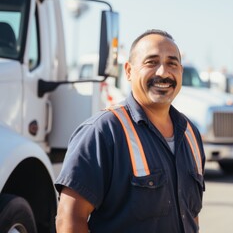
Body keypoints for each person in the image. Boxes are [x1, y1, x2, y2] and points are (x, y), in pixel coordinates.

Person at [55, 29, 206, 233]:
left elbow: (190, 215)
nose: (163, 72)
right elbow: (69, 221)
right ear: (128, 71)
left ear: (180, 71)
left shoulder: (190, 134)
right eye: (151, 62)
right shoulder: (102, 132)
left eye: (172, 63)